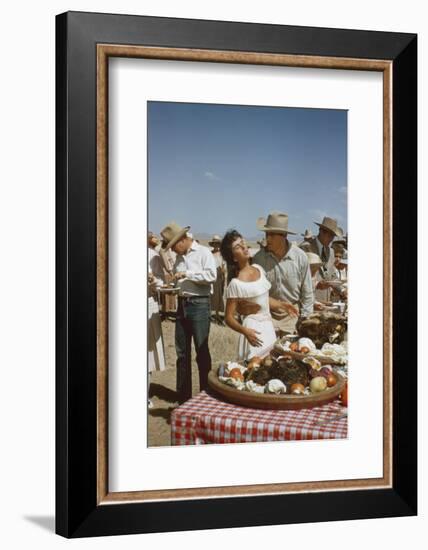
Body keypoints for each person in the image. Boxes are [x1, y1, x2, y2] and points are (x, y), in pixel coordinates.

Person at [160, 221, 217, 404]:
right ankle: (183, 398)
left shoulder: (203, 253)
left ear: (183, 240)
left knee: (201, 351)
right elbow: (181, 281)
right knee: (182, 354)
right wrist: (173, 285)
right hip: (182, 305)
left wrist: (187, 274)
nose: (174, 251)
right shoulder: (179, 257)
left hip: (199, 305)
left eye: (174, 246)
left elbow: (211, 276)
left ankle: (205, 397)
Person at [221, 230, 296, 360]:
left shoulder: (259, 269)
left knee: (270, 365)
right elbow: (228, 318)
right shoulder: (236, 283)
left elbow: (264, 299)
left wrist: (283, 305)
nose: (244, 247)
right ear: (233, 257)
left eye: (243, 242)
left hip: (268, 327)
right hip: (253, 331)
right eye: (238, 246)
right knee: (254, 368)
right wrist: (245, 331)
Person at [252, 212, 313, 335]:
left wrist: (305, 319)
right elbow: (255, 293)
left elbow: (307, 292)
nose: (267, 238)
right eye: (266, 234)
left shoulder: (300, 258)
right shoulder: (259, 259)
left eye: (272, 235)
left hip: (292, 317)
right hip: (266, 316)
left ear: (284, 236)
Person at [148, 232, 166, 408]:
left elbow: (161, 283)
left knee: (146, 352)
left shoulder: (153, 256)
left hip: (147, 306)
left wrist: (153, 280)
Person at [209, 235, 226, 325]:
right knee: (213, 294)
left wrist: (223, 274)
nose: (216, 246)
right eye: (215, 244)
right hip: (212, 274)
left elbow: (223, 266)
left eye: (218, 244)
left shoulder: (222, 254)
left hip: (219, 275)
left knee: (219, 293)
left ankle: (217, 314)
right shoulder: (210, 253)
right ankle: (213, 314)